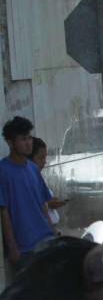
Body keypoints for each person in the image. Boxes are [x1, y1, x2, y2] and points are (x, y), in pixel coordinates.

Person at [0, 116, 62, 274]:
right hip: (25, 248)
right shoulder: (3, 171)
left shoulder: (33, 169)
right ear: (9, 142)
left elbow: (43, 205)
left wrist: (54, 233)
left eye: (29, 138)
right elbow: (4, 212)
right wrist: (13, 248)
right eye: (23, 139)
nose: (28, 143)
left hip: (47, 240)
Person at [29, 136, 62, 228]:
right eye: (40, 158)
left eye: (45, 158)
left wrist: (50, 202)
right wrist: (48, 204)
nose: (44, 162)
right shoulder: (27, 180)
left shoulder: (38, 177)